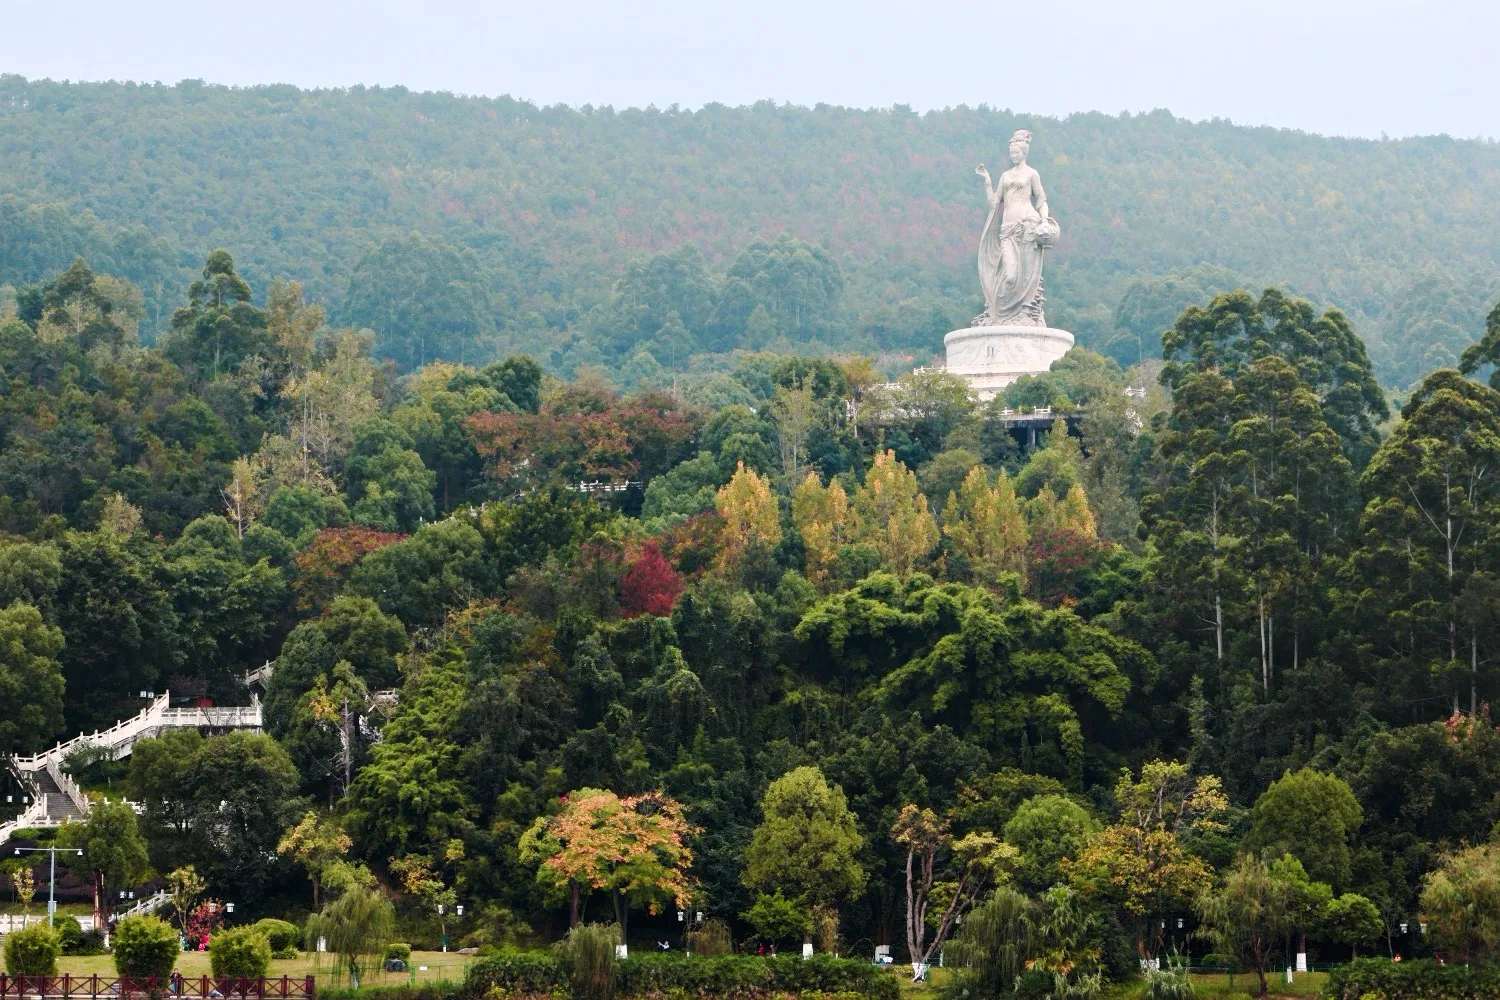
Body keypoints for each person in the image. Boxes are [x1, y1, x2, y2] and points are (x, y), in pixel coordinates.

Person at [973, 129, 1056, 327]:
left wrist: (1044, 220)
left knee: (1027, 273)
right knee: (1009, 275)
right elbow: (995, 202)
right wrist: (987, 181)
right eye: (1011, 152)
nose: (1013, 155)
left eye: (1016, 152)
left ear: (1024, 152)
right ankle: (1000, 314)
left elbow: (1041, 200)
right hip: (1007, 229)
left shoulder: (1031, 174)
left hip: (1027, 225)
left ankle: (1026, 312)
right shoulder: (1005, 176)